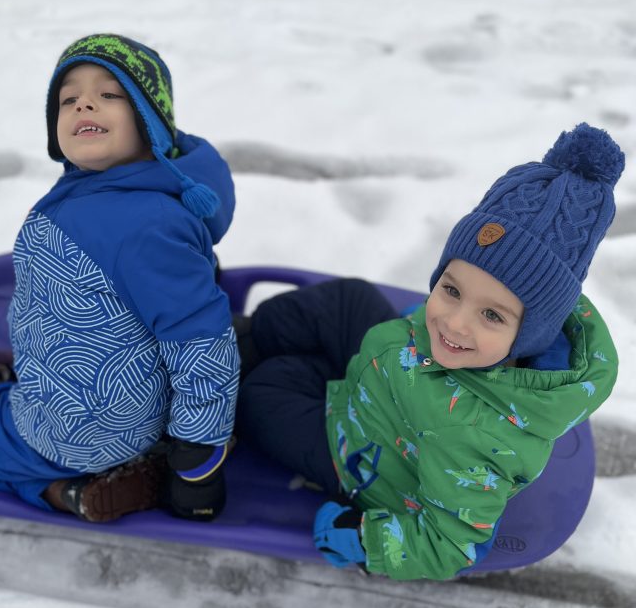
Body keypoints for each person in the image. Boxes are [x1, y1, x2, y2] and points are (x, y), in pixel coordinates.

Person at [235, 123, 624, 579]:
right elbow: (460, 314)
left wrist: (362, 538)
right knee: (348, 299)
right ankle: (238, 342)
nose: (456, 322)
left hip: (365, 451)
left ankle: (220, 381)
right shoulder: (474, 341)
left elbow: (453, 545)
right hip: (390, 377)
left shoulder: (476, 442)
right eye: (451, 289)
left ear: (532, 334)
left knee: (263, 392)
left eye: (492, 315)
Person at [0, 33, 239, 522]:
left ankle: (65, 492)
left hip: (85, 428)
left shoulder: (134, 226)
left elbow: (202, 342)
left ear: (150, 122)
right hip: (124, 396)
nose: (84, 104)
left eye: (108, 94)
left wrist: (198, 460)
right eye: (68, 99)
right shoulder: (156, 195)